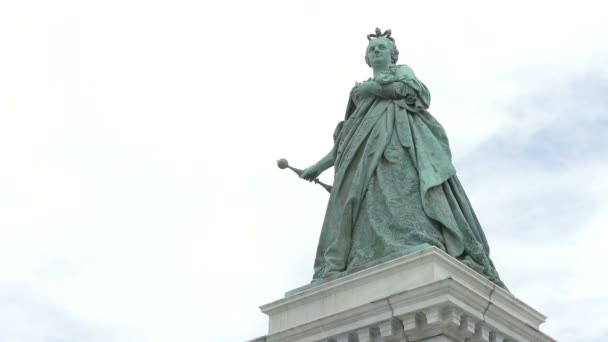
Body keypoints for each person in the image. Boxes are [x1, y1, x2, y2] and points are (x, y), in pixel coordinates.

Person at [300, 28, 506, 289]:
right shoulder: (358, 94)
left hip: (399, 143)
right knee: (366, 204)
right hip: (362, 162)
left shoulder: (400, 73)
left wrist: (374, 88)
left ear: (393, 55)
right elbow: (347, 140)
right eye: (372, 49)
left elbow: (417, 94)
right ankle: (368, 253)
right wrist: (317, 167)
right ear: (366, 58)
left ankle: (414, 239)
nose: (376, 52)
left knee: (403, 192)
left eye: (381, 48)